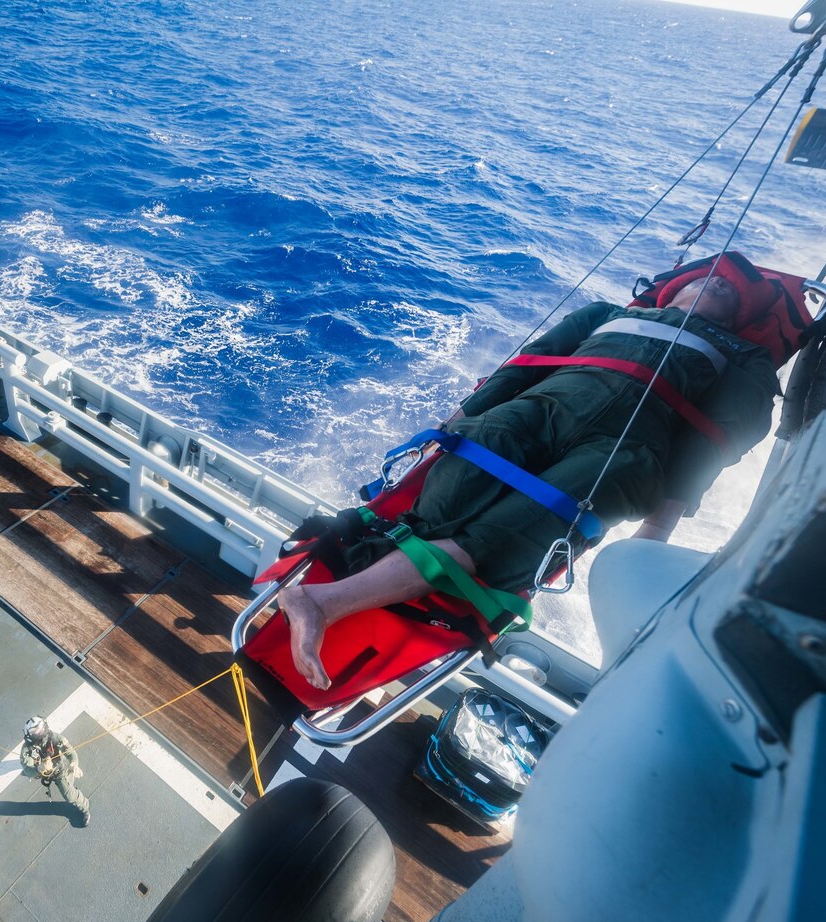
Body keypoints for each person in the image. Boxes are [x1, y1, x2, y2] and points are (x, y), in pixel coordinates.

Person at [281, 275, 781, 690]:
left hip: (621, 451)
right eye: (705, 276)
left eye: (731, 291)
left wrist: (662, 519)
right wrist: (461, 416)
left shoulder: (746, 358)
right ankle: (339, 593)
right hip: (542, 408)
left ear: (737, 319)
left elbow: (721, 435)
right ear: (668, 293)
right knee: (444, 506)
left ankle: (323, 601)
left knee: (503, 539)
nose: (720, 280)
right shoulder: (607, 313)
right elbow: (528, 361)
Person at [20, 716, 91, 826]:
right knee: (26, 771)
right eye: (36, 731)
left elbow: (70, 752)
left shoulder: (56, 738)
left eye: (41, 728)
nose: (40, 732)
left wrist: (74, 764)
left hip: (60, 770)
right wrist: (39, 769)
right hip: (42, 772)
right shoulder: (26, 749)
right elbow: (28, 771)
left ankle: (85, 807)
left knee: (70, 796)